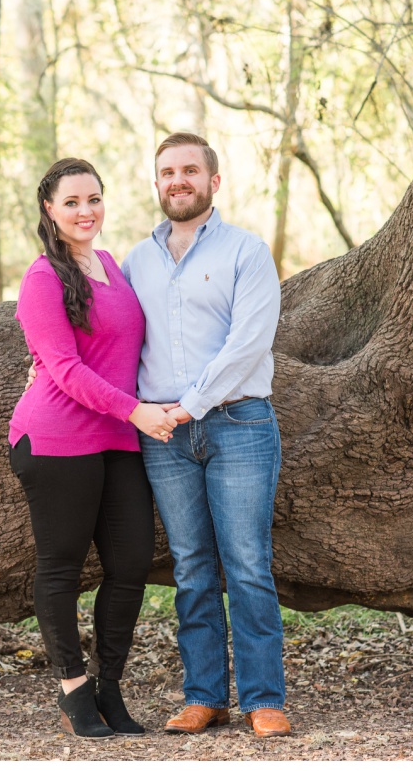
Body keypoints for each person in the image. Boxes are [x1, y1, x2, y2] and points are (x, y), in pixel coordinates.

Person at [122, 132, 291, 738]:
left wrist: (187, 407)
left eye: (190, 169)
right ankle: (204, 696)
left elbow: (249, 343)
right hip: (163, 434)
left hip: (238, 424)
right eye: (167, 171)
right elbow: (111, 333)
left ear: (213, 181)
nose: (177, 180)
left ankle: (264, 698)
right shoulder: (134, 262)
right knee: (191, 567)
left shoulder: (248, 251)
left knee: (247, 564)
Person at [8, 158, 182, 739]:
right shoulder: (43, 278)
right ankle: (74, 689)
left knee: (131, 563)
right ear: (49, 211)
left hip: (117, 438)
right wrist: (137, 410)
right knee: (60, 567)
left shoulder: (112, 265)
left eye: (94, 199)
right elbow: (61, 366)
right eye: (72, 202)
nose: (86, 212)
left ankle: (110, 687)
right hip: (57, 437)